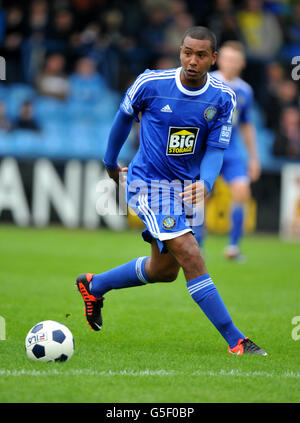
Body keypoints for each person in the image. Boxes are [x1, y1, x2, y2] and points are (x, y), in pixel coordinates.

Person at [75, 26, 267, 356]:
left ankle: (95, 285)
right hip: (148, 183)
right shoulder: (150, 83)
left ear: (213, 58)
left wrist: (205, 183)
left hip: (185, 189)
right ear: (180, 52)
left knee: (164, 271)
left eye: (201, 55)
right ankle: (237, 340)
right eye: (187, 53)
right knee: (191, 252)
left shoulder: (224, 97)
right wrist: (110, 162)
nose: (193, 61)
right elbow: (122, 119)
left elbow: (216, 148)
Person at [199, 41, 261, 261]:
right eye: (227, 58)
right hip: (206, 149)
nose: (231, 63)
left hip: (231, 150)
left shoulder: (245, 90)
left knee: (242, 193)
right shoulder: (208, 82)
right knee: (201, 196)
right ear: (218, 59)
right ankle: (198, 246)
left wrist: (254, 157)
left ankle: (233, 247)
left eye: (235, 59)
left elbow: (246, 124)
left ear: (242, 63)